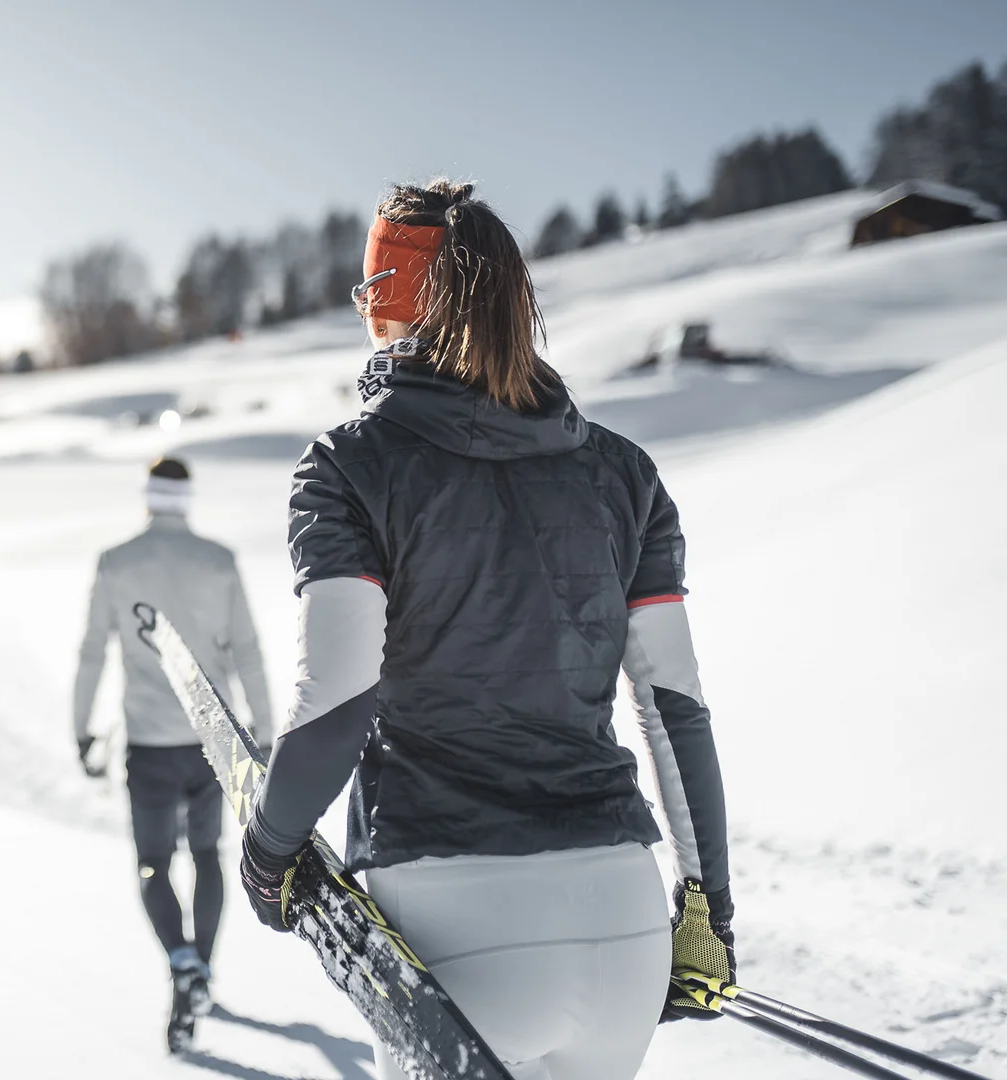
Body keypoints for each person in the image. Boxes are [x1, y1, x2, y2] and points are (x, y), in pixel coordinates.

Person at [238, 180, 733, 1080]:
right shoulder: (625, 473)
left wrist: (270, 851)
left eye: (366, 291)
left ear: (388, 299)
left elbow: (342, 697)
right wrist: (709, 908)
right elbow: (674, 707)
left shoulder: (350, 464)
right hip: (621, 929)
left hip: (454, 921)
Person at [74, 457, 273, 1024]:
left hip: (149, 740)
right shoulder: (220, 562)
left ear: (148, 497)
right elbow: (248, 651)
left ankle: (182, 961)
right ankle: (202, 970)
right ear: (186, 499)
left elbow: (92, 653)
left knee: (154, 863)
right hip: (214, 739)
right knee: (207, 853)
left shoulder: (116, 563)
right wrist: (263, 731)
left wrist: (81, 729)